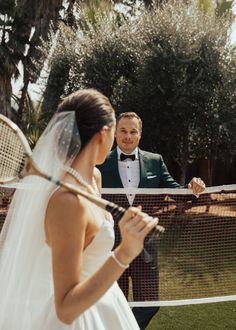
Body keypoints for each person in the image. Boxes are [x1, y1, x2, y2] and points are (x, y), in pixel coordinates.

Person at [0, 90, 160, 330]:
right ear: (103, 134)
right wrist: (125, 252)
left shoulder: (94, 179)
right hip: (78, 318)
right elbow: (65, 309)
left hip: (107, 303)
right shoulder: (67, 202)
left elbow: (91, 253)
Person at [98, 112, 205, 330]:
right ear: (115, 133)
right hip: (111, 246)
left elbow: (175, 192)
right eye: (123, 131)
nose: (128, 136)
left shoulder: (155, 162)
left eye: (133, 131)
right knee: (110, 305)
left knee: (149, 304)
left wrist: (193, 188)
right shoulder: (99, 162)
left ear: (140, 134)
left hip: (145, 246)